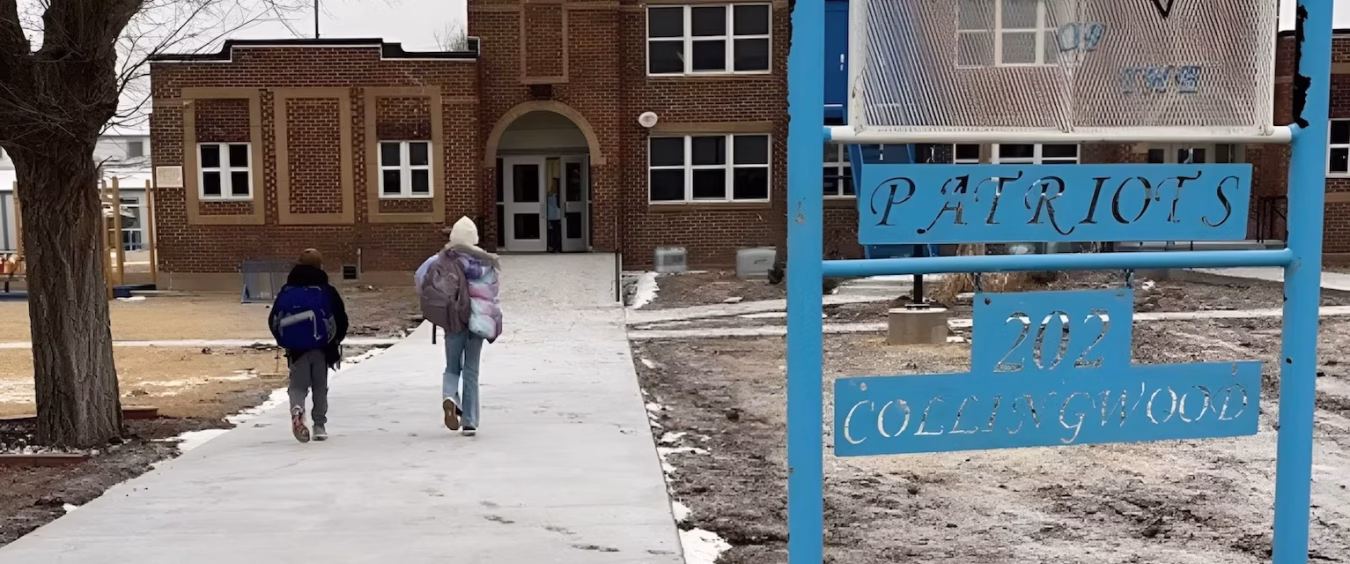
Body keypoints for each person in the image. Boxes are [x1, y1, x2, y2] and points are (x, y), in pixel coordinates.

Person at [418, 217, 502, 436]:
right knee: (472, 370)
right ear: (474, 238)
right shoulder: (485, 262)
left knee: (452, 366)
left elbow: (419, 278)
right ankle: (470, 421)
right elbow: (493, 292)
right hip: (478, 322)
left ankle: (449, 396)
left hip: (452, 319)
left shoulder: (440, 260)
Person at [269, 249, 348, 443]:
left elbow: (274, 319)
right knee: (320, 386)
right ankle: (319, 425)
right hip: (322, 346)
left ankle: (297, 408)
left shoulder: (287, 290)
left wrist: (285, 340)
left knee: (297, 385)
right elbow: (341, 318)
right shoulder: (326, 290)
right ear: (320, 266)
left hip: (296, 348)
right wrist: (335, 340)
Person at [546, 179, 562, 253]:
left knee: (555, 232)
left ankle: (555, 247)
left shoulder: (559, 196)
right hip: (551, 216)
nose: (553, 186)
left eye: (554, 184)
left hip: (556, 216)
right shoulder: (550, 195)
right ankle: (552, 246)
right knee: (552, 232)